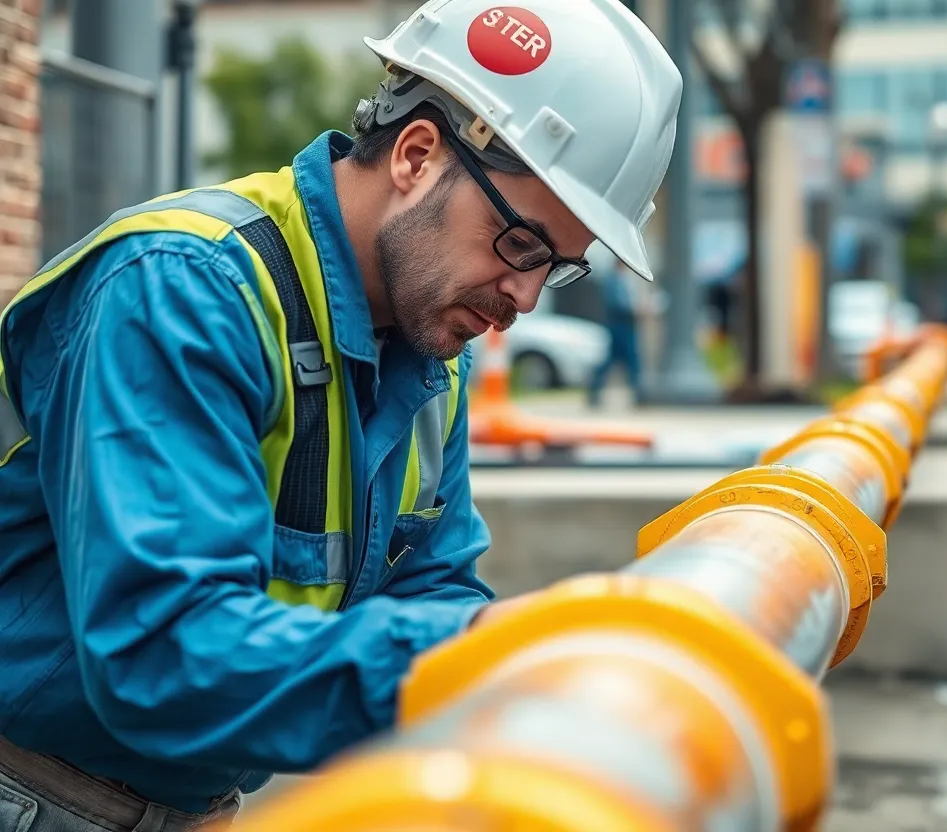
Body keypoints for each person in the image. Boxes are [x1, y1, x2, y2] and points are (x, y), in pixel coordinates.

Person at [0, 1, 681, 829]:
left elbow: (429, 587)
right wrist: (486, 654)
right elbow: (163, 651)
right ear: (418, 155)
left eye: (559, 269)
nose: (525, 299)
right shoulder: (183, 290)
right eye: (521, 245)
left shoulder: (433, 357)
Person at [587, 257, 644, 406]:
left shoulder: (621, 279)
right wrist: (636, 310)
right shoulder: (613, 280)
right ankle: (638, 393)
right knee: (628, 360)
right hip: (619, 325)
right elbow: (618, 304)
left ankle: (638, 393)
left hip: (625, 325)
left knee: (622, 360)